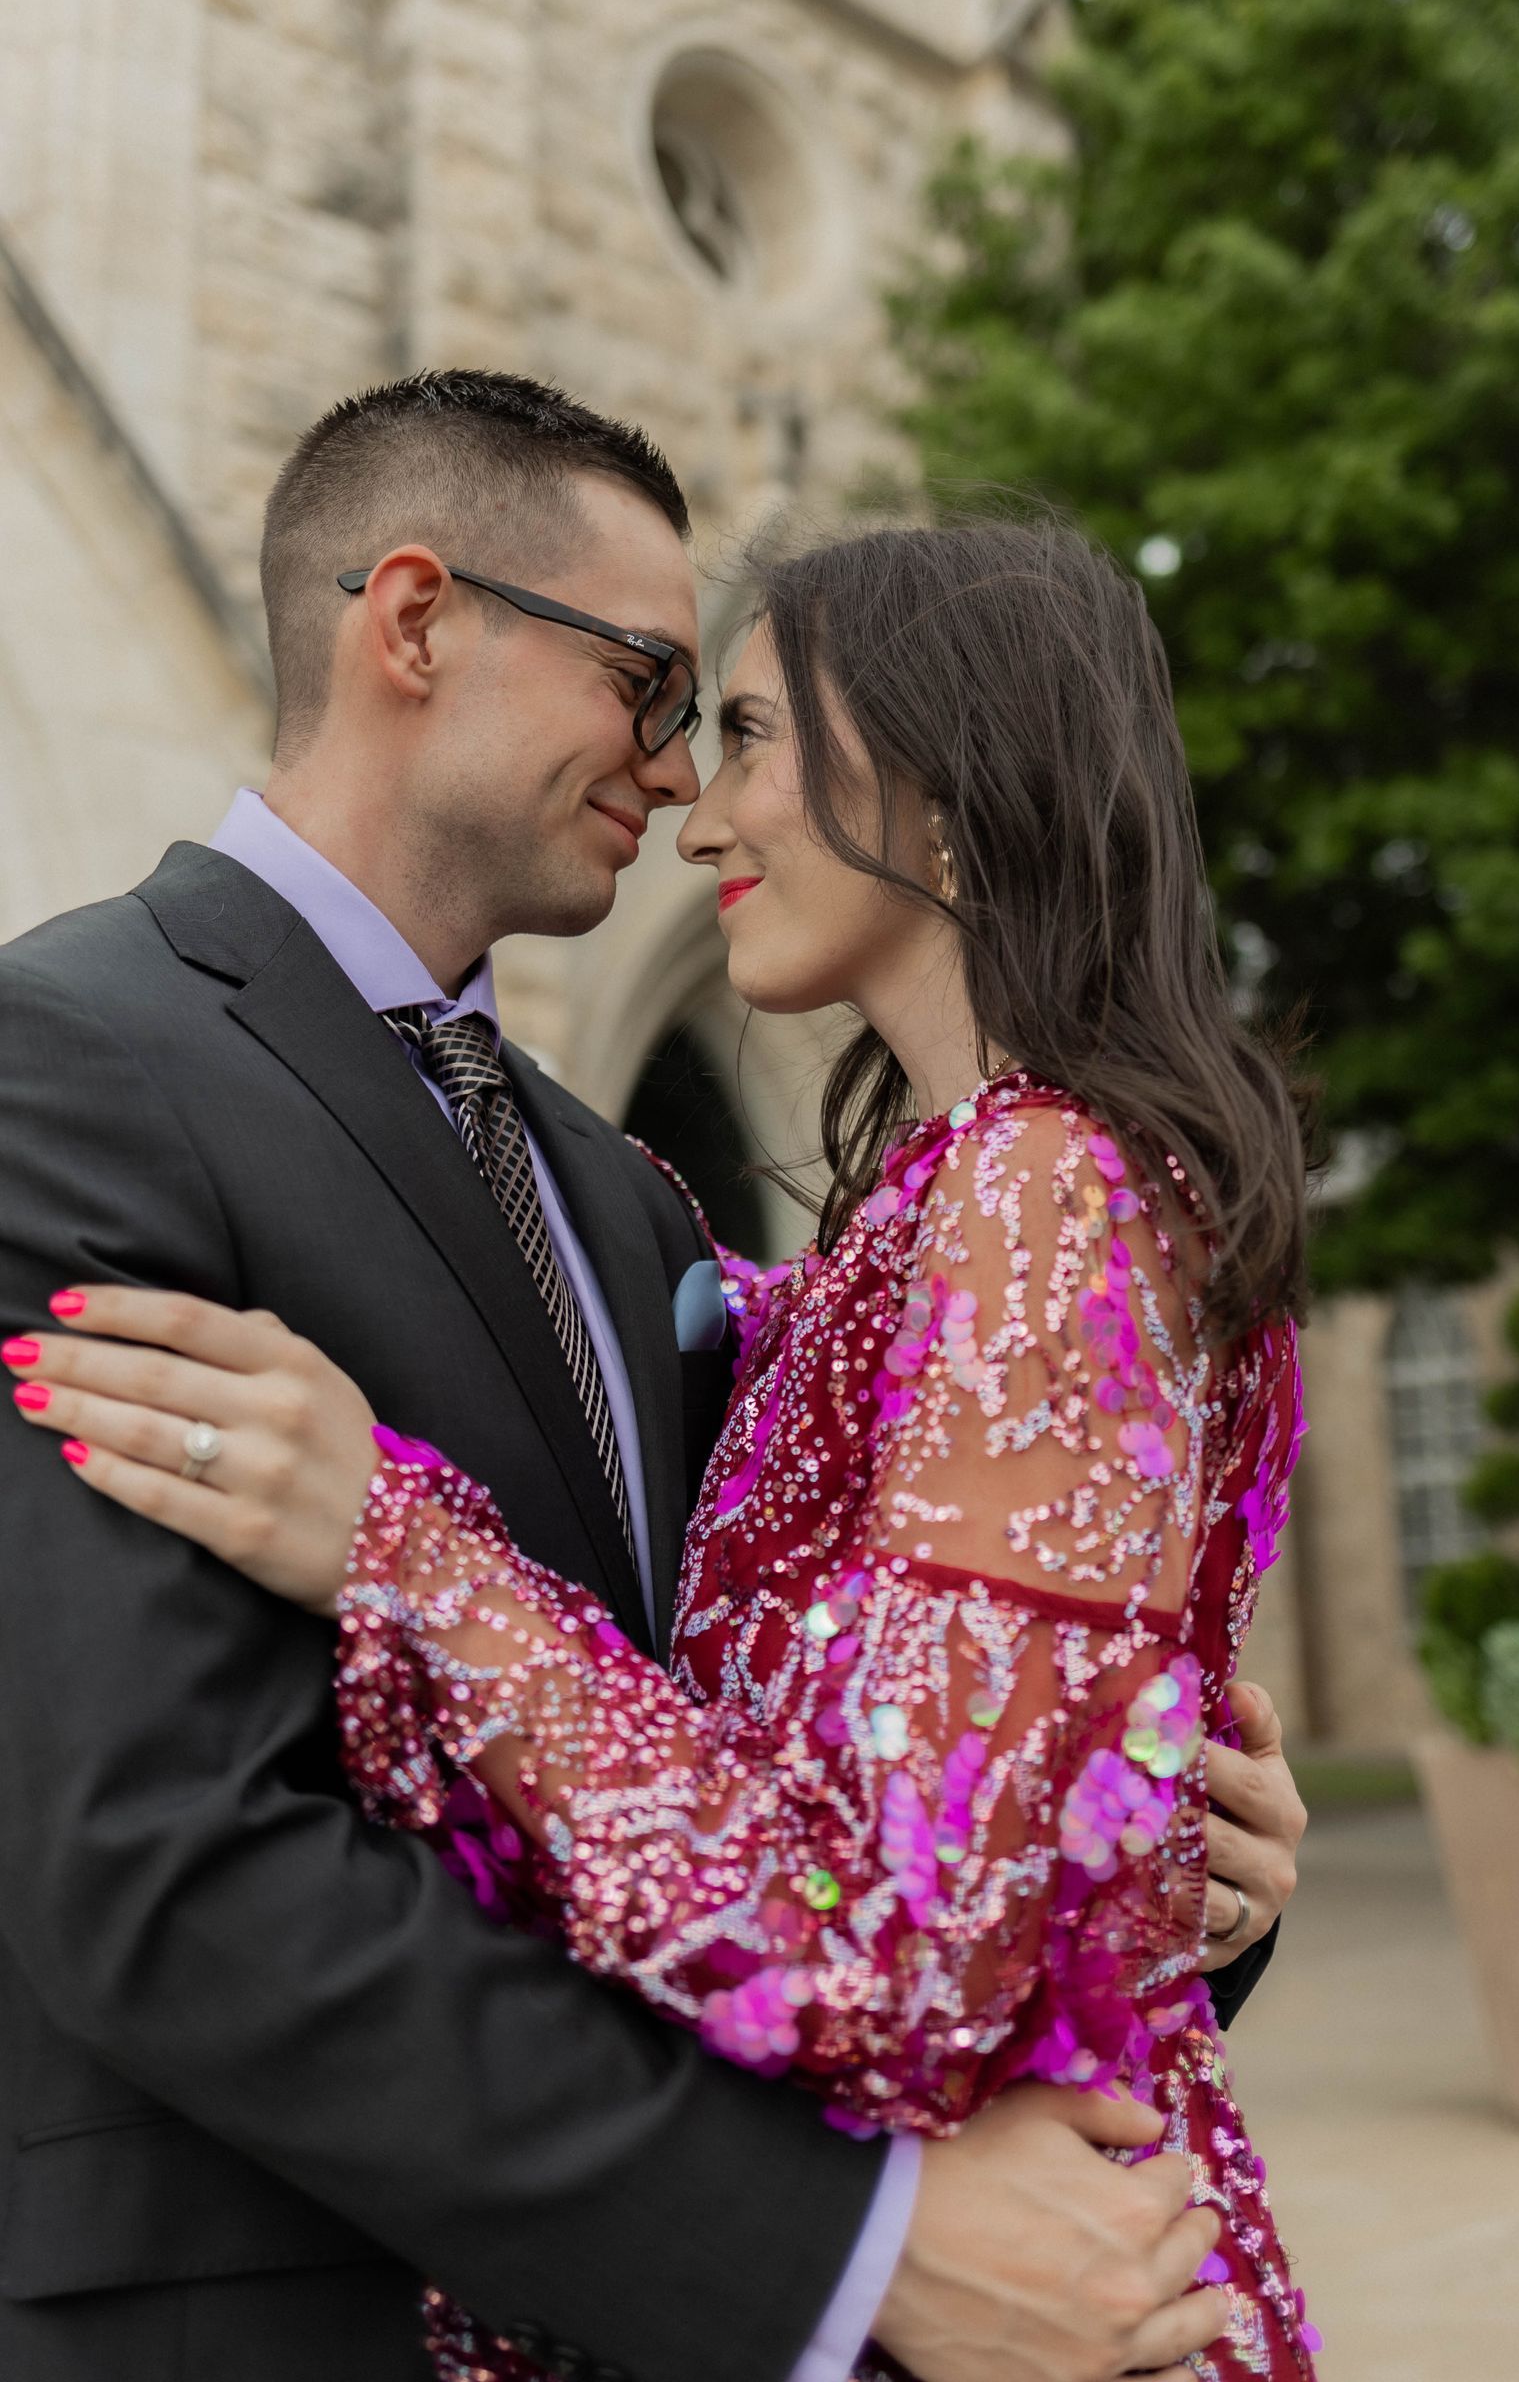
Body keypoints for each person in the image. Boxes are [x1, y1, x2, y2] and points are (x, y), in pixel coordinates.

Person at [0, 374, 1303, 2382]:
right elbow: (159, 1864)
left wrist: (1165, 1864)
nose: (685, 779)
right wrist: (842, 2253)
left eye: (736, 720)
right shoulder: (63, 1061)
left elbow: (867, 1796)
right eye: (653, 683)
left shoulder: (626, 1201)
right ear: (415, 623)